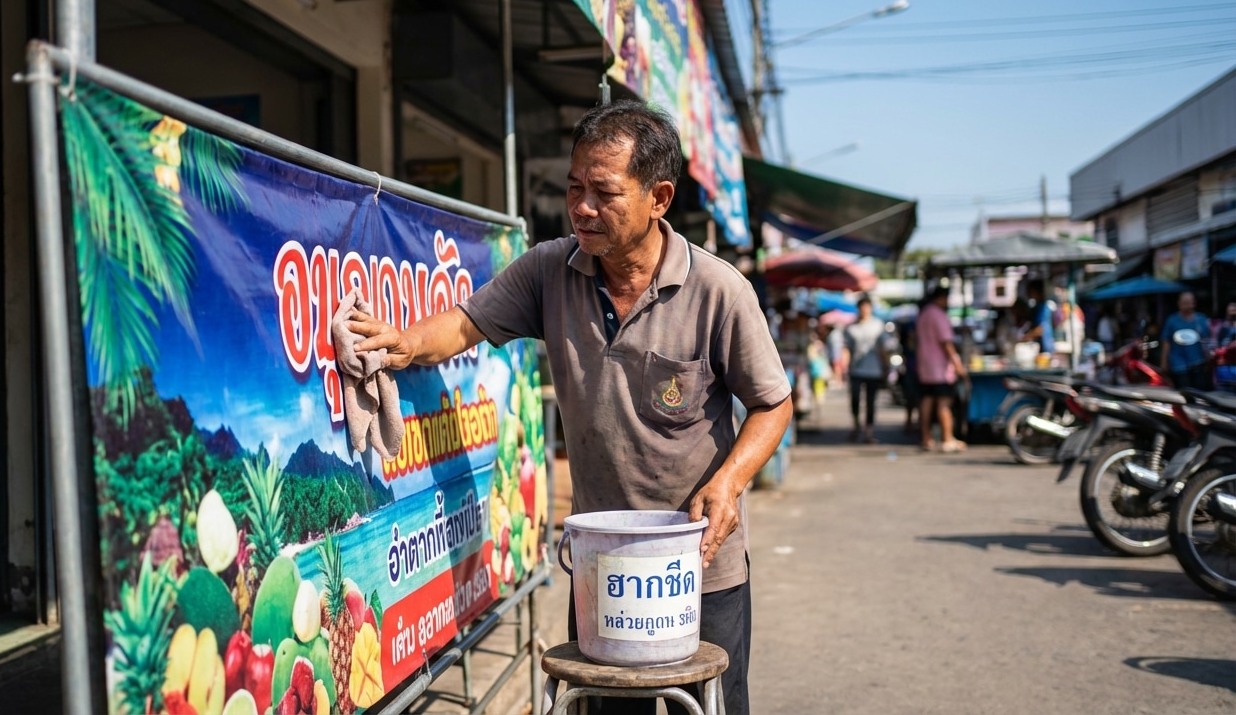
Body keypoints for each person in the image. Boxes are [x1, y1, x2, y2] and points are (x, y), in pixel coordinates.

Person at [348, 100, 792, 714]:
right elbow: (465, 324)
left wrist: (730, 482)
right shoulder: (549, 271)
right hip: (600, 566)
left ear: (659, 198)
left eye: (604, 192)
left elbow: (772, 403)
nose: (582, 207)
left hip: (698, 568)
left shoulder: (719, 291)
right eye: (575, 187)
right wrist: (404, 342)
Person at [916, 284, 968, 452]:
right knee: (944, 403)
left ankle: (926, 438)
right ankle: (947, 438)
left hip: (924, 367)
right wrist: (957, 364)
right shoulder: (938, 315)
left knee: (927, 401)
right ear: (942, 298)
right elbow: (946, 343)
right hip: (940, 368)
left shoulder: (923, 314)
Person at [842, 296, 888, 443]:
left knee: (871, 402)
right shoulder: (851, 328)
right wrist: (843, 368)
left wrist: (885, 366)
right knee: (855, 399)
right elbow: (846, 349)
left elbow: (883, 348)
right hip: (856, 370)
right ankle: (856, 426)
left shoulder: (878, 325)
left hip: (874, 370)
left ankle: (869, 431)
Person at [1160, 291, 1212, 390]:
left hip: (1198, 361)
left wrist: (1209, 358)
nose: (1187, 306)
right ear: (1179, 304)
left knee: (1199, 390)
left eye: (1189, 303)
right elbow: (1166, 341)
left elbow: (1207, 340)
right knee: (1184, 390)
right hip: (1178, 363)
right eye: (1184, 303)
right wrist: (1164, 362)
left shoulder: (1201, 320)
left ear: (1194, 303)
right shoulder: (1172, 320)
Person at [1018, 279, 1055, 355]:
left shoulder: (1042, 308)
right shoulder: (1037, 307)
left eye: (1030, 290)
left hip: (1044, 348)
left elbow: (1039, 330)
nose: (1028, 293)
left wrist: (1023, 338)